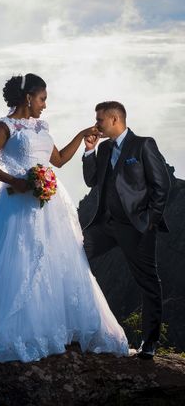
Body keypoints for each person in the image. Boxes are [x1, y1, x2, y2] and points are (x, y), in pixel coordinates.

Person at [0, 74, 129, 406]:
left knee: (57, 261)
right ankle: (21, 334)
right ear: (28, 97)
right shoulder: (6, 126)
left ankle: (59, 328)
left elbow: (59, 160)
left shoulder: (41, 125)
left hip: (50, 201)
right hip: (17, 202)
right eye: (42, 98)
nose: (45, 104)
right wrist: (15, 181)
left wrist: (82, 135)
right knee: (21, 262)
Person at [82, 101, 171, 360]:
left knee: (148, 283)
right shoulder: (105, 147)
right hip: (106, 226)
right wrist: (89, 151)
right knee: (74, 253)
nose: (96, 124)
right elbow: (91, 181)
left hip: (137, 228)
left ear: (114, 120)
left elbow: (162, 186)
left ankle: (150, 342)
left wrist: (148, 221)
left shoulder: (143, 145)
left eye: (99, 120)